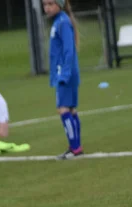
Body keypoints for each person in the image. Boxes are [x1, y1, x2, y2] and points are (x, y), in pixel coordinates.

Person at [43, 0, 83, 159]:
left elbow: (68, 50)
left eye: (50, 4)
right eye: (44, 4)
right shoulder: (59, 21)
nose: (47, 8)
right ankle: (76, 146)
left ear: (59, 4)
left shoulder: (62, 22)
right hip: (65, 72)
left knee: (63, 109)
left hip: (65, 73)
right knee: (71, 109)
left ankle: (75, 148)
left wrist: (64, 74)